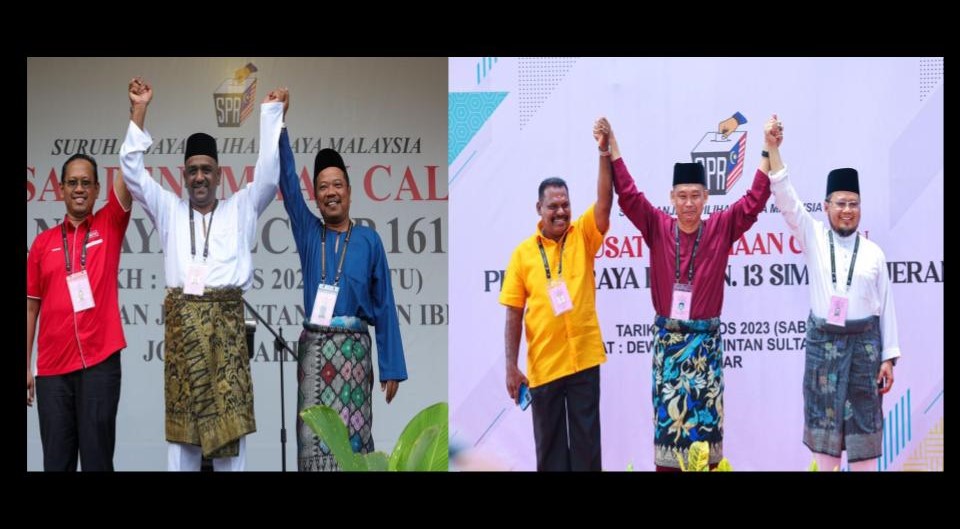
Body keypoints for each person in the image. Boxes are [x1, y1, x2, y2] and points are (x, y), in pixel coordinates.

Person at [119, 77, 284, 471]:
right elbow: (132, 172)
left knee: (230, 444)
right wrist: (139, 110)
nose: (199, 177)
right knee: (184, 446)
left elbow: (268, 176)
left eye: (206, 169)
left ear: (219, 174)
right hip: (184, 335)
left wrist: (271, 114)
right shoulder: (168, 208)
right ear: (183, 175)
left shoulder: (241, 207)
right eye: (192, 170)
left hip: (227, 334)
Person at [600, 116, 773, 471]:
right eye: (682, 196)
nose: (689, 203)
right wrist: (612, 145)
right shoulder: (657, 226)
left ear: (706, 197)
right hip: (668, 351)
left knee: (707, 447)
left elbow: (754, 200)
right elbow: (628, 195)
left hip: (706, 351)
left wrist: (768, 149)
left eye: (695, 196)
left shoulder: (721, 227)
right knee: (669, 443)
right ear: (672, 198)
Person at [277, 98, 408, 471]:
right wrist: (279, 126)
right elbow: (288, 182)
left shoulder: (368, 240)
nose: (331, 192)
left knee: (354, 450)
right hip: (315, 353)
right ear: (316, 196)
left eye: (337, 185)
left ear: (349, 191)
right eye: (323, 187)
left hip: (354, 357)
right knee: (313, 446)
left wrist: (391, 367)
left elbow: (384, 304)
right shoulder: (309, 232)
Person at [766, 117, 900, 471]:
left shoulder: (873, 253)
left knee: (864, 442)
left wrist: (888, 358)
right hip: (823, 349)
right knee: (824, 447)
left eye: (853, 204)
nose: (847, 211)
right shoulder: (812, 236)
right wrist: (773, 149)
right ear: (826, 207)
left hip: (864, 353)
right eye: (840, 203)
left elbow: (885, 308)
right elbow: (786, 198)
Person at [498, 119, 613, 471]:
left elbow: (605, 202)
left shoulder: (583, 235)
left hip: (583, 361)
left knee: (587, 453)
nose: (561, 211)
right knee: (550, 456)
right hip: (545, 366)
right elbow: (514, 313)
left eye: (565, 204)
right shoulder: (522, 254)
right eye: (553, 206)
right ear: (539, 209)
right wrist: (511, 366)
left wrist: (604, 152)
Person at [27, 153, 133, 471]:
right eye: (72, 182)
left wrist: (138, 123)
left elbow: (128, 169)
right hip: (52, 372)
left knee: (98, 462)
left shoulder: (110, 223)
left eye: (86, 183)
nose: (79, 189)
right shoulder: (42, 244)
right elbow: (30, 307)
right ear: (61, 189)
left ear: (97, 188)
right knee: (56, 463)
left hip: (99, 365)